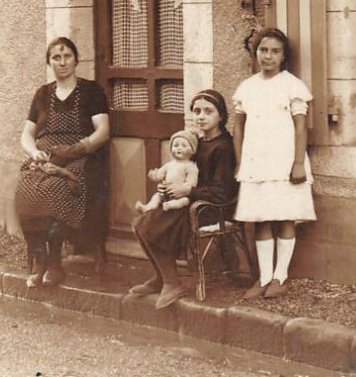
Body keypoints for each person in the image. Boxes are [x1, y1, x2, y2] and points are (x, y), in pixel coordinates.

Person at [15, 37, 110, 288]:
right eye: (56, 57)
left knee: (57, 188)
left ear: (76, 60)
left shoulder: (91, 91)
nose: (63, 62)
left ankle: (55, 262)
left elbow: (103, 131)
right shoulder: (42, 94)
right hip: (46, 157)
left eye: (67, 56)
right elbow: (27, 134)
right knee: (26, 189)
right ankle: (40, 259)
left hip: (80, 156)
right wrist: (34, 152)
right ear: (49, 63)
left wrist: (77, 148)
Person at [132, 89, 237, 309]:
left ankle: (172, 283)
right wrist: (168, 185)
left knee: (150, 225)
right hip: (189, 202)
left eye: (208, 111)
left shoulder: (224, 146)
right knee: (139, 223)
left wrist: (187, 191)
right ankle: (162, 276)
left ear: (221, 115)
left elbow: (222, 192)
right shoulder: (197, 142)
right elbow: (183, 169)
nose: (201, 116)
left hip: (211, 207)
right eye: (197, 111)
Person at [233, 27, 316, 300]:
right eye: (263, 50)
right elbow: (238, 128)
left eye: (275, 51)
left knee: (284, 216)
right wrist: (240, 163)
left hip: (284, 160)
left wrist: (298, 163)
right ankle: (264, 276)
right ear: (255, 53)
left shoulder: (291, 86)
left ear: (283, 56)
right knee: (261, 219)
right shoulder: (247, 87)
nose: (268, 56)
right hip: (256, 162)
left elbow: (301, 127)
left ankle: (281, 276)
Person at [134, 129, 199, 214]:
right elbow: (160, 175)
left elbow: (191, 183)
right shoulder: (169, 165)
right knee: (157, 196)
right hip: (166, 193)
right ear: (171, 149)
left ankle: (170, 205)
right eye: (176, 145)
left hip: (181, 195)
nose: (179, 148)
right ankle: (148, 207)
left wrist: (182, 189)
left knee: (185, 201)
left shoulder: (190, 166)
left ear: (192, 150)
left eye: (184, 146)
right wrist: (154, 175)